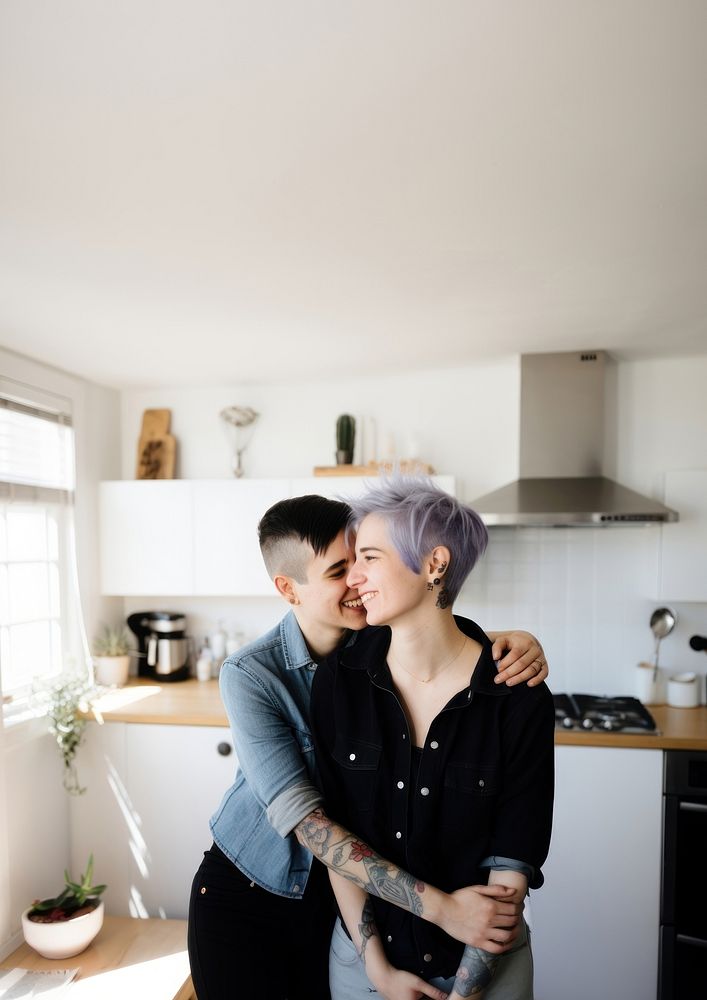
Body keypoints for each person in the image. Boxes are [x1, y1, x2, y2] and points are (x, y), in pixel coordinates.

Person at [187, 493, 550, 1000]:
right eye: (341, 569)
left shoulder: (372, 648)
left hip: (345, 900)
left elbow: (429, 629)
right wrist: (446, 910)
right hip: (253, 894)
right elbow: (312, 827)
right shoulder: (252, 675)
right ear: (289, 589)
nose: (358, 579)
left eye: (365, 558)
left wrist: (502, 643)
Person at [310, 480, 555, 1000]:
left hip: (486, 973)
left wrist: (465, 994)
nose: (353, 579)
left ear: (433, 565)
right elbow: (336, 842)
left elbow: (509, 872)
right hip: (364, 968)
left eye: (369, 558)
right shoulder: (340, 681)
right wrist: (377, 969)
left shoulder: (517, 696)